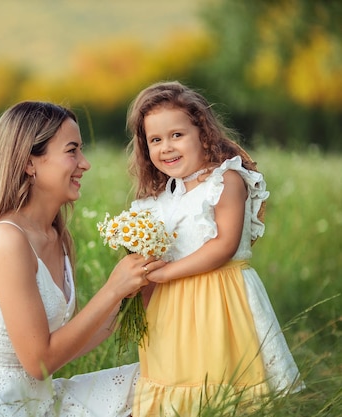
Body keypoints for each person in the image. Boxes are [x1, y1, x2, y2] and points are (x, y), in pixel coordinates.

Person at [0, 101, 163, 417]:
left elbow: (73, 342)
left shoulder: (56, 236)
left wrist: (134, 294)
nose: (85, 163)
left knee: (159, 382)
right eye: (72, 151)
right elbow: (40, 362)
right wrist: (112, 289)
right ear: (30, 163)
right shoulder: (7, 240)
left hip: (37, 399)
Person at [125, 81, 305, 416]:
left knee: (218, 385)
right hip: (172, 310)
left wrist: (165, 273)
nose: (167, 147)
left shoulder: (225, 181)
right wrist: (146, 302)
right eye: (156, 140)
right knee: (176, 384)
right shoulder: (160, 200)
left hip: (219, 300)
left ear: (202, 132)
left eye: (177, 135)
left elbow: (224, 245)